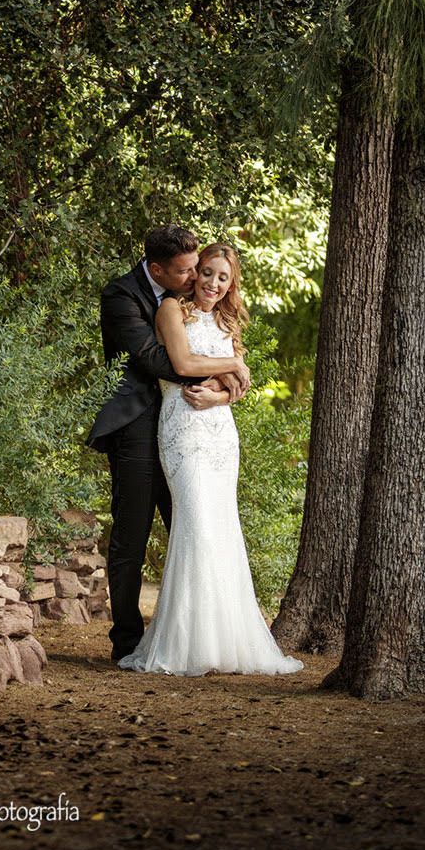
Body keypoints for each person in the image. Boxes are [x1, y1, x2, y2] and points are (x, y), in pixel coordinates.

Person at [117, 242, 303, 676]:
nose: (213, 284)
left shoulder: (228, 321)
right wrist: (233, 364)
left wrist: (220, 391)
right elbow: (181, 362)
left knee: (221, 528)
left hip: (220, 433)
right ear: (194, 273)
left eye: (223, 277)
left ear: (231, 283)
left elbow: (236, 391)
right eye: (207, 274)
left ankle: (224, 642)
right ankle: (184, 644)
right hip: (182, 428)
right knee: (195, 524)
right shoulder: (170, 311)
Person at [87, 226, 251, 662]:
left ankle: (200, 635)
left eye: (198, 267)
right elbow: (159, 361)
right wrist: (230, 367)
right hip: (139, 425)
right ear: (157, 269)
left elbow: (230, 374)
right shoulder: (122, 297)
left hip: (194, 430)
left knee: (197, 528)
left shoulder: (200, 304)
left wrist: (222, 391)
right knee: (133, 533)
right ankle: (127, 641)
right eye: (186, 271)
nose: (195, 276)